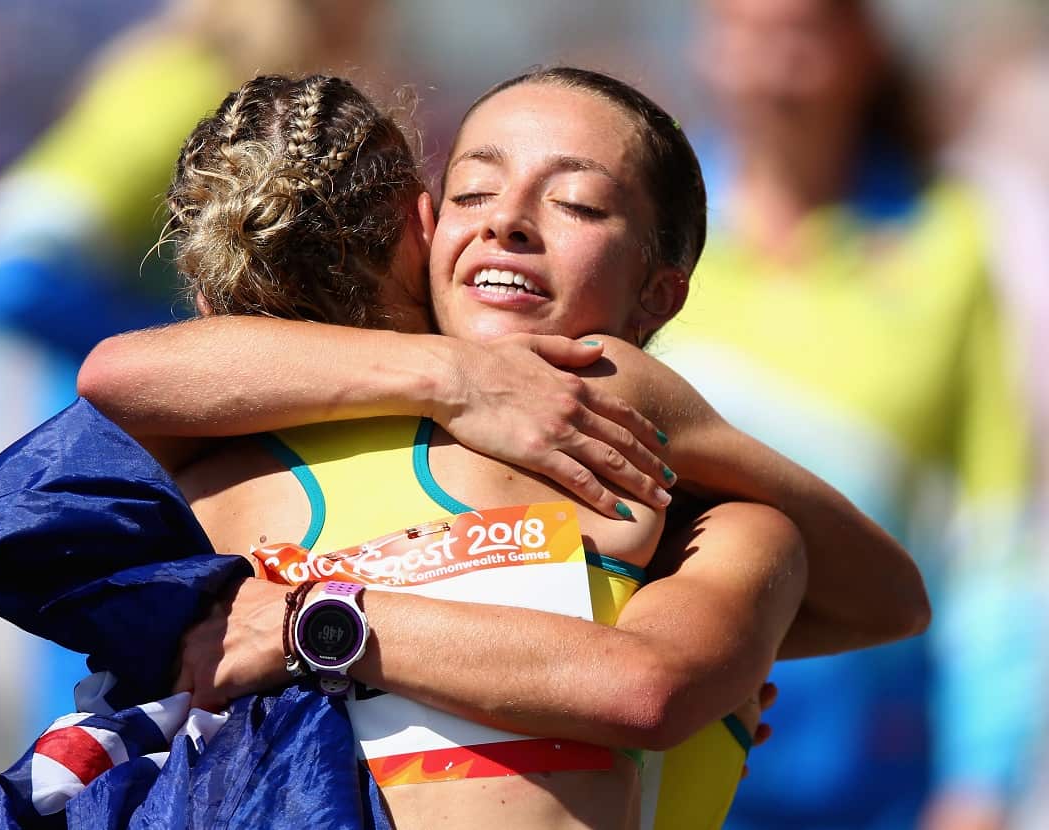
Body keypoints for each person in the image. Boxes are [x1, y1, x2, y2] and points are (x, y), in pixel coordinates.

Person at [70, 70, 927, 829]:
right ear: (423, 230)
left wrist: (312, 621)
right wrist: (455, 374)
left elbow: (650, 686)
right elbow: (118, 372)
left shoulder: (724, 537)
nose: (508, 222)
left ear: (659, 295)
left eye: (579, 205)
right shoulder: (251, 428)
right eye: (472, 194)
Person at [646, 1, 1042, 828]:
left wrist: (981, 780)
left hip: (876, 772)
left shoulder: (948, 238)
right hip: (665, 744)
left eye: (801, 37)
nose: (771, 71)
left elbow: (995, 533)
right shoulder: (636, 220)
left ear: (863, 49)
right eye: (743, 36)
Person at [0, 0, 392, 733]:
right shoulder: (186, 91)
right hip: (125, 503)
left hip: (163, 498)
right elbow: (7, 277)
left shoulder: (240, 93)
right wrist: (193, 363)